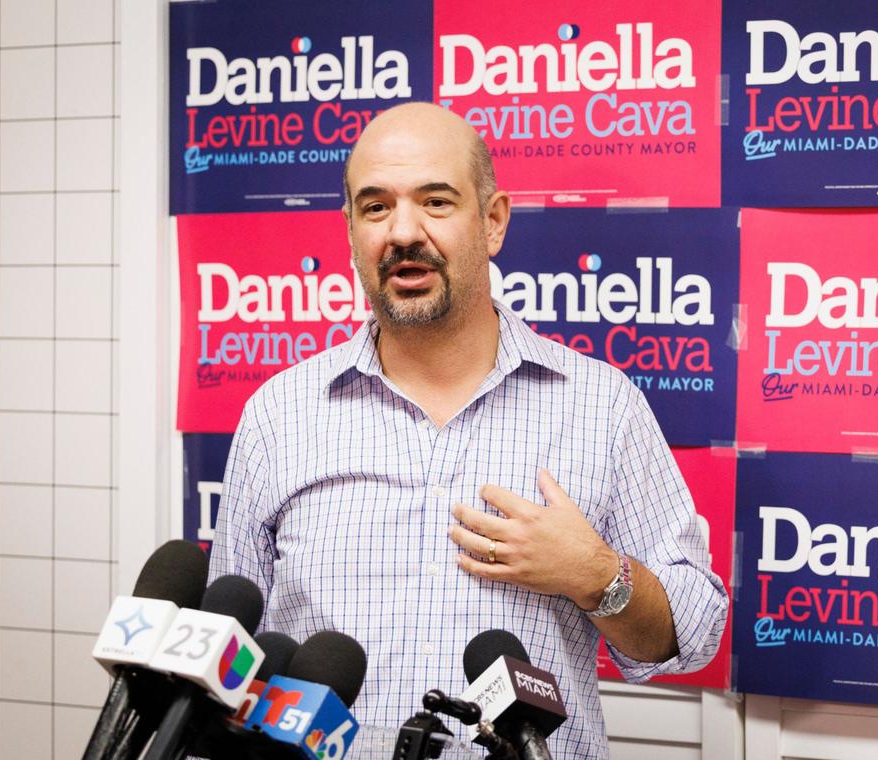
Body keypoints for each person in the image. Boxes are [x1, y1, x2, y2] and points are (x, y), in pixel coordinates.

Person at [209, 102, 728, 758]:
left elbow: (694, 636)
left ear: (492, 221)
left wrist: (597, 575)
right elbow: (228, 659)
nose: (403, 232)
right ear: (350, 231)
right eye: (375, 207)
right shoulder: (278, 415)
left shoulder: (602, 407)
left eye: (436, 202)